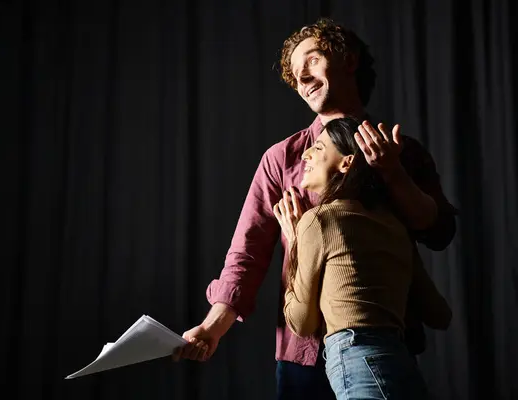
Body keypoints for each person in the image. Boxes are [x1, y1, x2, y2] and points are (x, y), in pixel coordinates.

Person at [172, 17, 457, 399]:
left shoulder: (404, 152)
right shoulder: (281, 158)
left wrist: (393, 172)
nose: (302, 78)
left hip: (384, 344)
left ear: (348, 60)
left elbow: (438, 231)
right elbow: (247, 253)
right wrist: (211, 328)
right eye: (294, 73)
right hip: (302, 355)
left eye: (312, 59)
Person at [275, 116, 452, 400]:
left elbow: (301, 323)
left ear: (346, 163)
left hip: (358, 359)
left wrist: (295, 242)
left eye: (318, 148)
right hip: (402, 363)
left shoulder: (319, 220)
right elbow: (440, 314)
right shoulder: (395, 225)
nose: (306, 154)